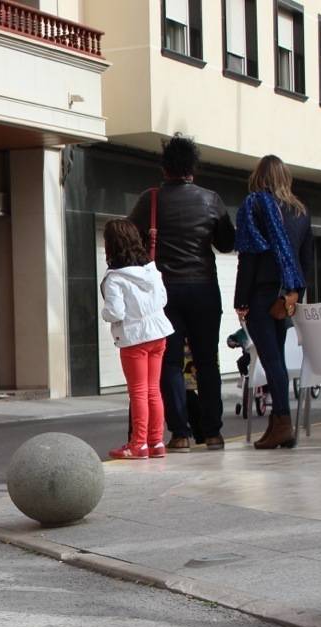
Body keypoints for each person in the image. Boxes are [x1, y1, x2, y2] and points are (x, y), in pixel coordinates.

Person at [129, 134, 235, 452]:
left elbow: (130, 239)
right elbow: (227, 243)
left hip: (165, 292)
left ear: (164, 168)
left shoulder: (151, 200)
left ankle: (180, 433)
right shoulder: (211, 199)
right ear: (193, 168)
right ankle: (213, 432)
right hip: (204, 288)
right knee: (207, 362)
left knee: (170, 363)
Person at [233, 154, 312, 450]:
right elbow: (306, 260)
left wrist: (240, 299)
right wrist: (295, 297)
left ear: (260, 176)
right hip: (286, 295)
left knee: (271, 361)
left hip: (262, 292)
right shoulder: (300, 210)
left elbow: (249, 256)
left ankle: (282, 423)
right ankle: (279, 424)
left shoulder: (253, 205)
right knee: (275, 356)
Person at [100, 219, 175, 459]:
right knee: (154, 390)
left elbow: (115, 312)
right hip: (158, 333)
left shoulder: (114, 278)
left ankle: (138, 444)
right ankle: (156, 442)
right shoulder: (152, 271)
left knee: (139, 392)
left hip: (134, 338)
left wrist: (104, 314)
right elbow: (163, 299)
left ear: (111, 245)